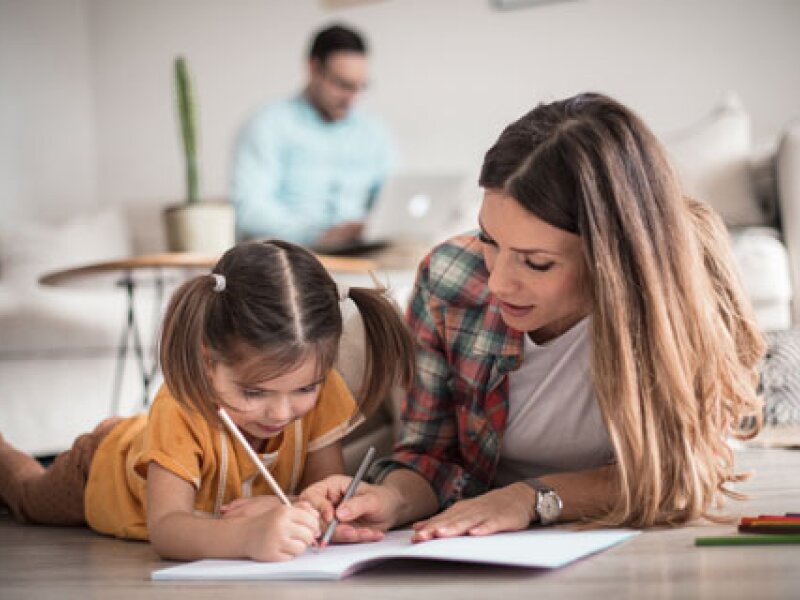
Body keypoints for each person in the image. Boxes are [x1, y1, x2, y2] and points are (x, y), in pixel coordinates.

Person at [301, 92, 765, 540]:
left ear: (610, 258)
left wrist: (532, 499)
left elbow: (682, 475)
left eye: (536, 262)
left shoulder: (682, 291)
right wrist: (391, 501)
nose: (499, 282)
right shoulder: (449, 278)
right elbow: (431, 455)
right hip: (491, 537)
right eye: (489, 240)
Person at [0, 240, 413, 561]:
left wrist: (320, 515)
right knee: (24, 495)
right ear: (207, 360)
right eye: (254, 392)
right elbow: (167, 528)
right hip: (103, 469)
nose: (282, 413)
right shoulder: (181, 405)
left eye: (305, 389)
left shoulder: (325, 393)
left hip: (154, 452)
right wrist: (248, 536)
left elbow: (314, 491)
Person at [230, 23, 395, 250]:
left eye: (359, 87)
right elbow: (248, 210)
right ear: (313, 68)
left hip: (361, 252)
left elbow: (391, 195)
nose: (351, 98)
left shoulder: (373, 130)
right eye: (342, 84)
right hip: (293, 255)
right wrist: (317, 235)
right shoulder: (268, 124)